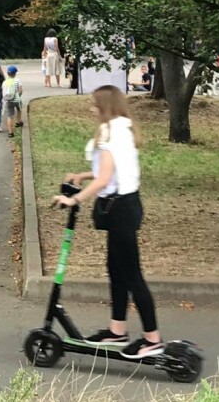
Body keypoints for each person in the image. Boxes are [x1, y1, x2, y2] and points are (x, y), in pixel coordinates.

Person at [53, 86, 164, 359]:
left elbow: (104, 179)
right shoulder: (122, 127)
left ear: (105, 106)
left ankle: (152, 339)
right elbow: (109, 171)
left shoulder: (108, 131)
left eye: (93, 104)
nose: (90, 108)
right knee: (116, 269)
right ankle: (117, 330)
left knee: (132, 274)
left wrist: (74, 199)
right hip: (127, 204)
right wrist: (82, 175)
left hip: (120, 208)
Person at [3, 65, 23, 137]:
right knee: (19, 109)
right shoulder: (17, 80)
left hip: (8, 101)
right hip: (16, 100)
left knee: (10, 116)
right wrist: (18, 96)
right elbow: (20, 91)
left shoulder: (5, 82)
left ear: (8, 73)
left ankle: (10, 132)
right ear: (15, 73)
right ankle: (18, 121)